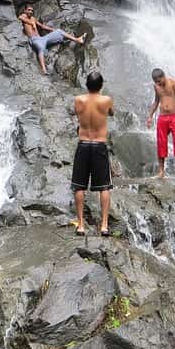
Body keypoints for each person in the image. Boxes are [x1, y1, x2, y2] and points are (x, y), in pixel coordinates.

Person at [72, 70, 114, 236]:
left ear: (86, 85)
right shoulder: (106, 100)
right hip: (99, 145)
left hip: (83, 144)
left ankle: (81, 225)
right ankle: (104, 225)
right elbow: (111, 112)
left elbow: (78, 115)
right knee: (104, 186)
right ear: (101, 85)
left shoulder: (78, 100)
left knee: (79, 186)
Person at [18, 4, 87, 75]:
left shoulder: (33, 18)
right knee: (41, 47)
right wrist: (32, 23)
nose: (30, 11)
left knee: (59, 31)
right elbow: (20, 18)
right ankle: (43, 70)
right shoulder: (23, 16)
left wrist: (52, 29)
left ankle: (77, 39)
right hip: (34, 40)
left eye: (32, 10)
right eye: (29, 10)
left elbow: (42, 26)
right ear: (25, 10)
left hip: (41, 38)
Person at [146, 68, 175, 180]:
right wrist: (150, 116)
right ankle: (161, 171)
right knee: (161, 143)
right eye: (156, 82)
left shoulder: (174, 83)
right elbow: (156, 101)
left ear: (163, 76)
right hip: (162, 117)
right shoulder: (156, 87)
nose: (159, 84)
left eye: (160, 81)